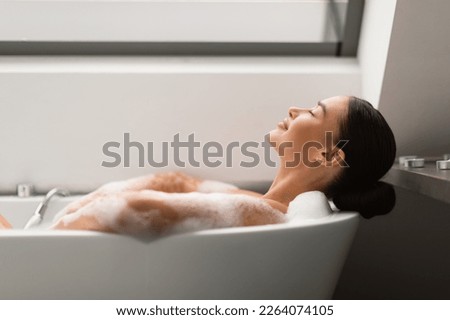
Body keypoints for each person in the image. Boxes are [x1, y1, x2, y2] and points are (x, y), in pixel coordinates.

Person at [0, 96, 396, 235]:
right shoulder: (259, 206)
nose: (295, 108)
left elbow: (139, 211)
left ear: (329, 156)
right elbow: (171, 189)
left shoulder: (265, 215)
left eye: (314, 110)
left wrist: (41, 241)